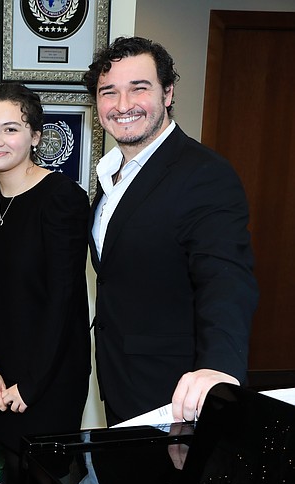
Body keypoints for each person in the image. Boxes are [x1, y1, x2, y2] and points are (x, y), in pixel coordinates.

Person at [82, 36, 258, 425]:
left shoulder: (204, 173)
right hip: (118, 375)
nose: (123, 105)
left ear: (168, 92)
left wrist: (219, 368)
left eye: (138, 89)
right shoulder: (111, 173)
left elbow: (226, 280)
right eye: (108, 92)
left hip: (177, 391)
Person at [0, 82, 91, 484]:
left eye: (11, 129)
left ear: (36, 136)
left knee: (52, 477)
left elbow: (62, 300)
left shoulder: (62, 198)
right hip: (2, 366)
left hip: (51, 367)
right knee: (14, 465)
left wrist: (31, 383)